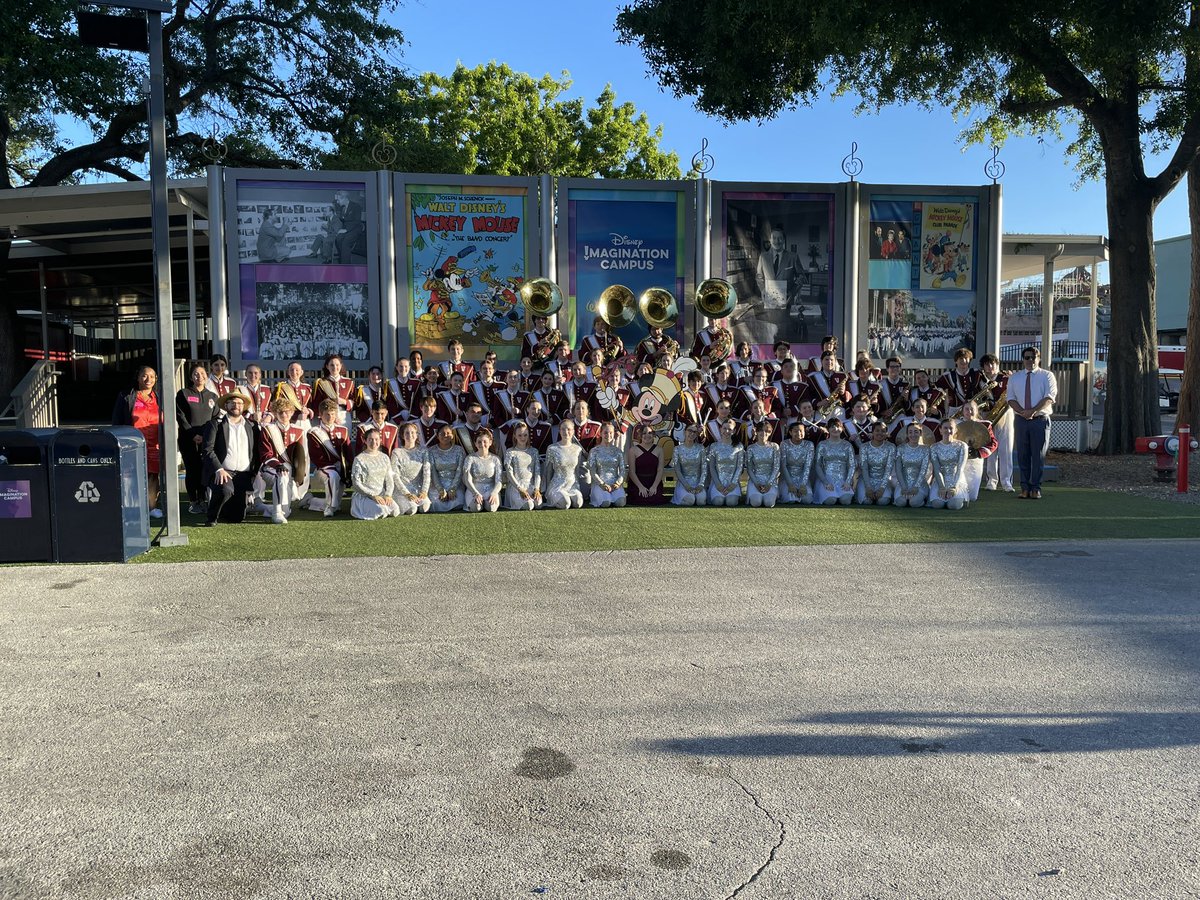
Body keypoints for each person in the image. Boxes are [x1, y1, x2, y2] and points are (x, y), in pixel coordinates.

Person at [201, 389, 261, 526]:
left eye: (239, 403)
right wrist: (218, 469)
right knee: (225, 490)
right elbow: (207, 450)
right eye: (232, 403)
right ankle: (212, 516)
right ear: (226, 405)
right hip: (222, 472)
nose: (236, 406)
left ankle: (224, 508)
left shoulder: (252, 426)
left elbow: (256, 451)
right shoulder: (215, 424)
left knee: (237, 517)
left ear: (244, 406)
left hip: (243, 474)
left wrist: (254, 472)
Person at [1007, 347, 1058, 499]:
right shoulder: (1015, 378)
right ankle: (1024, 488)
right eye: (1027, 357)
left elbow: (1049, 397)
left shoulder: (1047, 376)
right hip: (1021, 420)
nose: (1030, 360)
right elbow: (1010, 398)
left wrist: (1033, 411)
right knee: (1023, 455)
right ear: (1023, 360)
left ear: (1038, 358)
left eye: (1033, 357)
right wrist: (1023, 412)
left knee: (1038, 455)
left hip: (1040, 420)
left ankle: (1036, 488)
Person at [112, 365, 163, 519]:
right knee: (131, 476)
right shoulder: (126, 396)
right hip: (132, 444)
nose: (148, 379)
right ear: (138, 378)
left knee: (152, 476)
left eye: (152, 376)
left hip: (154, 444)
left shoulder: (159, 397)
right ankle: (131, 506)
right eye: (144, 376)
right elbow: (117, 421)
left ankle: (151, 507)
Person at [176, 362, 219, 514]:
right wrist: (192, 435)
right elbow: (180, 416)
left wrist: (207, 435)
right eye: (196, 374)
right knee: (192, 469)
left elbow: (215, 418)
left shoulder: (213, 396)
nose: (199, 376)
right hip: (188, 439)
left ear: (207, 376)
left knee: (204, 469)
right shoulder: (183, 394)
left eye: (202, 374)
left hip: (206, 439)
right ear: (191, 377)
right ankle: (193, 501)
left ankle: (202, 499)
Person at [258, 397, 308, 524]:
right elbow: (266, 454)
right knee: (281, 476)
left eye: (287, 412)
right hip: (270, 468)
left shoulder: (298, 431)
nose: (284, 415)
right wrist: (277, 465)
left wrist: (300, 472)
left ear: (292, 412)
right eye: (280, 412)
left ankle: (261, 507)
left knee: (286, 512)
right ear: (275, 413)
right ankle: (276, 513)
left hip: (289, 470)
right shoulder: (268, 429)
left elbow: (299, 455)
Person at [307, 398, 351, 517]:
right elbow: (316, 456)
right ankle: (329, 507)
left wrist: (348, 469)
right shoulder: (313, 432)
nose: (330, 417)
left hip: (340, 468)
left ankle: (310, 501)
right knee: (333, 475)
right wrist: (333, 467)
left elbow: (348, 453)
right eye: (327, 414)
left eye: (332, 414)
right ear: (320, 415)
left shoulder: (343, 430)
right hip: (323, 469)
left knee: (338, 506)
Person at [978, 353, 1014, 492]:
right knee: (990, 448)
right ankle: (991, 480)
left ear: (997, 365)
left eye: (993, 363)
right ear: (983, 367)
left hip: (1005, 415)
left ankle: (1006, 481)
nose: (990, 366)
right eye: (987, 364)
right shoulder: (980, 381)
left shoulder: (1006, 378)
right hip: (987, 416)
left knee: (1006, 449)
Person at [350, 427, 401, 519]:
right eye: (370, 439)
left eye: (376, 439)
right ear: (365, 441)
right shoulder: (359, 459)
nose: (374, 442)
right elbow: (356, 483)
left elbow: (389, 478)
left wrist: (388, 495)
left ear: (380, 440)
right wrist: (373, 496)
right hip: (365, 495)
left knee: (395, 511)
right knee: (381, 511)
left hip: (381, 494)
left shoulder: (385, 457)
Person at [958, 400, 998, 501]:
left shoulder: (985, 424)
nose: (969, 411)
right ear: (962, 411)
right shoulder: (956, 424)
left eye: (972, 409)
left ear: (977, 410)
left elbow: (993, 443)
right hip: (959, 460)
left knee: (972, 496)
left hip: (975, 461)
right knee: (960, 493)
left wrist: (979, 453)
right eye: (967, 409)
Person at [542, 418, 587, 509]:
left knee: (578, 503)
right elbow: (549, 471)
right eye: (563, 429)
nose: (566, 432)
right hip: (558, 485)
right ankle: (557, 497)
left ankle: (571, 496)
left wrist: (577, 487)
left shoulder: (577, 449)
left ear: (573, 431)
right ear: (559, 431)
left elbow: (576, 471)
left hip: (572, 485)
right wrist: (547, 491)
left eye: (569, 429)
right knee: (565, 504)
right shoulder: (552, 448)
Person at [390, 421, 432, 516]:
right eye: (407, 433)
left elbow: (427, 473)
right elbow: (395, 476)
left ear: (417, 435)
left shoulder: (423, 451)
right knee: (412, 509)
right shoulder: (396, 452)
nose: (410, 435)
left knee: (424, 507)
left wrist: (424, 491)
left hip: (418, 489)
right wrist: (407, 494)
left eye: (413, 432)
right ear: (402, 436)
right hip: (402, 490)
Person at [929, 417, 969, 510]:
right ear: (940, 430)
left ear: (955, 430)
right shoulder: (934, 447)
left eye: (951, 428)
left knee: (953, 505)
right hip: (940, 480)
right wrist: (941, 487)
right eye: (945, 428)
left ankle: (960, 498)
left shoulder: (962, 446)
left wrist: (954, 487)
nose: (948, 430)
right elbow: (937, 469)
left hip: (956, 479)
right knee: (937, 504)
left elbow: (960, 468)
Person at [502, 421, 542, 511]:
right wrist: (520, 489)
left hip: (531, 486)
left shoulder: (534, 451)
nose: (523, 438)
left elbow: (537, 472)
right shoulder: (510, 452)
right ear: (515, 436)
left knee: (538, 504)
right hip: (516, 487)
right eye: (519, 435)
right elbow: (509, 474)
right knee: (529, 505)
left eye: (525, 435)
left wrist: (536, 489)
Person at [856, 421, 897, 505]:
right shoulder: (864, 447)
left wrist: (882, 488)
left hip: (883, 480)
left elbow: (888, 468)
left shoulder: (891, 447)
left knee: (883, 501)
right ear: (872, 432)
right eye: (877, 430)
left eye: (883, 431)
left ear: (886, 433)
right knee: (866, 502)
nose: (880, 433)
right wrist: (868, 488)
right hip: (866, 480)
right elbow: (864, 468)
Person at [462, 428, 503, 512]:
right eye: (479, 442)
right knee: (476, 508)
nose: (482, 444)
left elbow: (499, 480)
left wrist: (494, 493)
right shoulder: (470, 458)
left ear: (490, 442)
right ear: (475, 444)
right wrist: (475, 493)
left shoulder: (496, 459)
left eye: (485, 441)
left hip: (491, 489)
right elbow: (467, 479)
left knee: (491, 508)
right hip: (474, 489)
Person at [588, 422, 627, 508]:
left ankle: (615, 495)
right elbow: (593, 471)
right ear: (601, 433)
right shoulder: (594, 451)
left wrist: (618, 483)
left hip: (615, 484)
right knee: (606, 503)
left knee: (620, 503)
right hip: (600, 484)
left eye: (611, 433)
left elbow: (622, 470)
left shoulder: (618, 451)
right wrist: (602, 484)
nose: (608, 435)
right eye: (605, 433)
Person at [893, 423, 933, 508]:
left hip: (920, 483)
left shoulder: (925, 449)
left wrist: (916, 486)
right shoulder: (900, 448)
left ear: (920, 433)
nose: (913, 435)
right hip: (903, 483)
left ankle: (923, 498)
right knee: (901, 503)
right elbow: (898, 469)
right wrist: (903, 487)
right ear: (907, 434)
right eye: (910, 432)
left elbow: (924, 469)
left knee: (914, 503)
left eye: (916, 432)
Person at [706, 419, 745, 506]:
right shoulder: (714, 446)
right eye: (724, 428)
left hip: (732, 482)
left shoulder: (739, 446)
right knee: (718, 502)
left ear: (734, 431)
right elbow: (712, 467)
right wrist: (718, 484)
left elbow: (739, 467)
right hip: (718, 482)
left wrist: (733, 484)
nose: (727, 431)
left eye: (730, 429)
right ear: (720, 429)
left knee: (731, 502)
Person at [428, 424, 466, 512]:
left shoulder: (459, 450)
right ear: (437, 436)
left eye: (448, 433)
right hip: (437, 484)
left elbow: (460, 470)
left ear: (452, 435)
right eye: (442, 434)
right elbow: (433, 471)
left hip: (455, 483)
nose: (445, 436)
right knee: (436, 503)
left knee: (457, 502)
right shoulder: (431, 451)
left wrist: (453, 488)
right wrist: (440, 489)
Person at [311, 352, 355, 427]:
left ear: (341, 366)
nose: (334, 367)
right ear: (327, 366)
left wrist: (345, 402)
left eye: (337, 365)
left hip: (344, 416)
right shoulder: (321, 382)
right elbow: (316, 403)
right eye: (332, 365)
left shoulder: (349, 382)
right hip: (327, 416)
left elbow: (354, 401)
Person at [626, 423, 665, 506]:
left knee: (655, 499)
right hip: (637, 482)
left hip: (653, 481)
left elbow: (660, 470)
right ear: (640, 435)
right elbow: (632, 471)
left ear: (653, 435)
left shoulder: (659, 450)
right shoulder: (633, 450)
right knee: (640, 499)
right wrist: (640, 487)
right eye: (644, 433)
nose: (647, 435)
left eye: (650, 433)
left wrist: (654, 486)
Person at [745, 419, 781, 508]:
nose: (763, 433)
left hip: (770, 480)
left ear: (770, 432)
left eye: (766, 431)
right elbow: (749, 468)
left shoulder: (774, 447)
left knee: (769, 503)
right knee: (756, 503)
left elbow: (776, 467)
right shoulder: (751, 448)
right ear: (756, 432)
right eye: (761, 430)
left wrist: (769, 483)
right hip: (755, 480)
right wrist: (756, 483)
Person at [671, 423, 708, 506]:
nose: (692, 433)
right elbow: (677, 470)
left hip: (698, 482)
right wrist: (686, 485)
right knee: (690, 500)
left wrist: (701, 484)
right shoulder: (677, 449)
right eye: (690, 431)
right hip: (683, 482)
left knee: (701, 502)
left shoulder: (701, 448)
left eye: (694, 432)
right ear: (685, 432)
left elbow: (704, 468)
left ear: (697, 434)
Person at [779, 420, 815, 504]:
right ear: (790, 432)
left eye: (801, 431)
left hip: (803, 477)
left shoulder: (809, 445)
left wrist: (803, 484)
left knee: (807, 500)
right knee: (790, 499)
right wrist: (790, 484)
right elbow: (783, 466)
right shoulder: (784, 444)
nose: (798, 433)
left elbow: (807, 466)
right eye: (795, 431)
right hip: (787, 477)